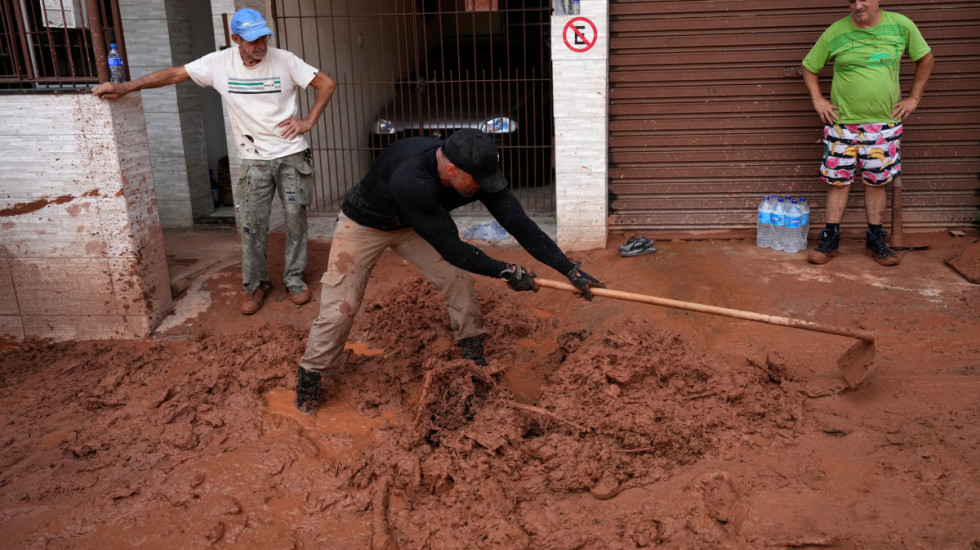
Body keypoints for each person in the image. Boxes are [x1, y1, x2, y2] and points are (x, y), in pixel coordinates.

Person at [294, 129, 604, 413]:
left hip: (415, 225)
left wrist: (570, 270)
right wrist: (507, 271)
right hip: (364, 224)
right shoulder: (412, 178)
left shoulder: (475, 171)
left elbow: (519, 224)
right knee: (341, 307)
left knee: (457, 280)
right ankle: (310, 378)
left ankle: (472, 354)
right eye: (478, 182)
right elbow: (453, 249)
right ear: (452, 170)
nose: (484, 187)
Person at [93, 8, 337, 313]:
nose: (260, 44)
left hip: (291, 155)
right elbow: (173, 74)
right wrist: (125, 87)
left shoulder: (285, 59)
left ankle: (295, 280)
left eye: (263, 37)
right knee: (251, 226)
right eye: (252, 40)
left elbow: (325, 84)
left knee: (295, 221)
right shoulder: (219, 64)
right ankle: (256, 285)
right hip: (252, 160)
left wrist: (307, 122)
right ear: (235, 38)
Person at [801, 0, 934, 266]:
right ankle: (830, 239)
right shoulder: (836, 32)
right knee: (838, 181)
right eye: (851, 0)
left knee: (877, 182)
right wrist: (818, 100)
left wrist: (913, 99)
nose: (857, 5)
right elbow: (809, 66)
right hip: (842, 123)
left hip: (883, 124)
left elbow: (926, 59)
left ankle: (875, 239)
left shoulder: (901, 26)